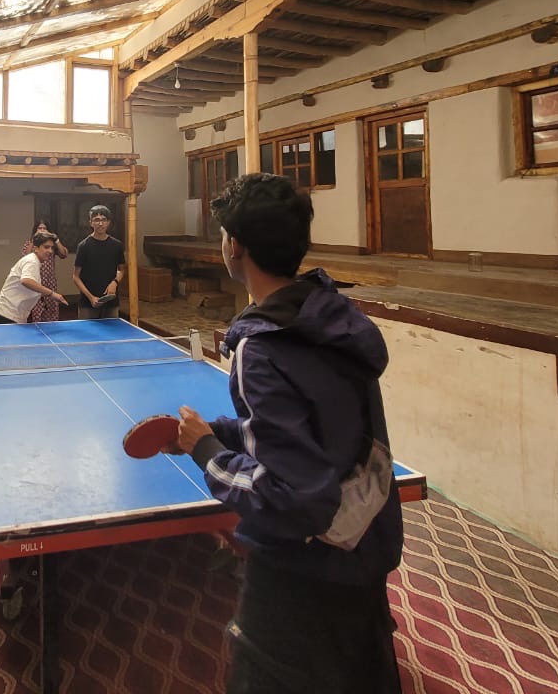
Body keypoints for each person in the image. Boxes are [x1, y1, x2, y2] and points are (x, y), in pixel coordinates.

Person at [168, 173, 404, 694]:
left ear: (234, 246)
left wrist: (206, 452)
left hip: (303, 569)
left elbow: (293, 498)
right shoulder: (331, 315)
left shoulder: (259, 348)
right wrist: (220, 432)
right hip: (366, 544)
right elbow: (312, 427)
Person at [0, 231, 67, 323]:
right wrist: (52, 294)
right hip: (8, 314)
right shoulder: (32, 261)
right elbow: (26, 281)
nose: (50, 251)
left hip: (12, 313)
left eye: (52, 248)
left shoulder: (35, 261)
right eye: (46, 247)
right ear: (36, 248)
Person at [73, 204, 125, 319]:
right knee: (87, 331)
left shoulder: (117, 245)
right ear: (91, 223)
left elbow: (121, 270)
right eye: (96, 220)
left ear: (108, 222)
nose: (100, 223)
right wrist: (91, 297)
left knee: (112, 330)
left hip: (111, 301)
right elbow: (76, 277)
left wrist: (115, 282)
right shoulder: (83, 246)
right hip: (88, 304)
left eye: (104, 220)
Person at [21, 219, 68, 322]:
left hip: (50, 283)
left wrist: (56, 239)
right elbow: (25, 257)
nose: (42, 230)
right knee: (36, 312)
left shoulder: (52, 244)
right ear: (35, 230)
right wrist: (34, 240)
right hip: (35, 283)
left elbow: (64, 254)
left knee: (51, 311)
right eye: (39, 228)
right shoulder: (30, 243)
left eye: (44, 228)